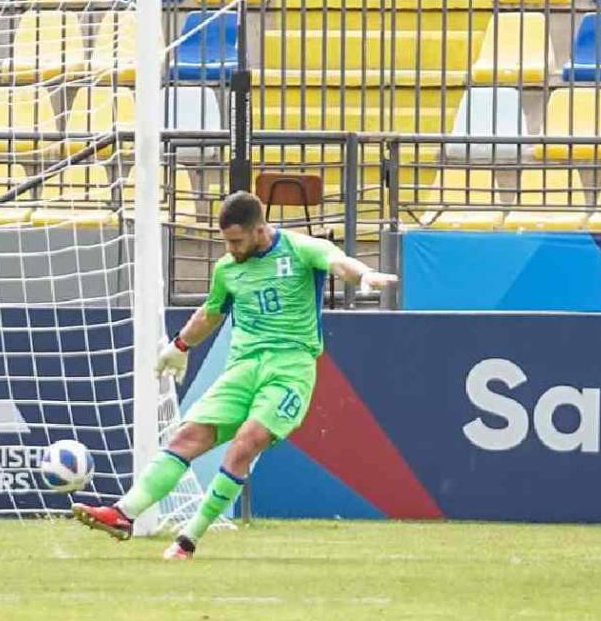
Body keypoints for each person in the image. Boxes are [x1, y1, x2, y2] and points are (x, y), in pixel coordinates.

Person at [71, 190, 397, 558]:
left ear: (260, 230)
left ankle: (188, 539)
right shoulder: (227, 269)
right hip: (242, 367)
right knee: (187, 436)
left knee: (246, 440)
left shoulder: (300, 248)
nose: (230, 248)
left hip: (291, 368)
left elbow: (337, 262)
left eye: (236, 240)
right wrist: (179, 346)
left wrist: (365, 274)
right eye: (225, 240)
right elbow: (211, 312)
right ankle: (122, 514)